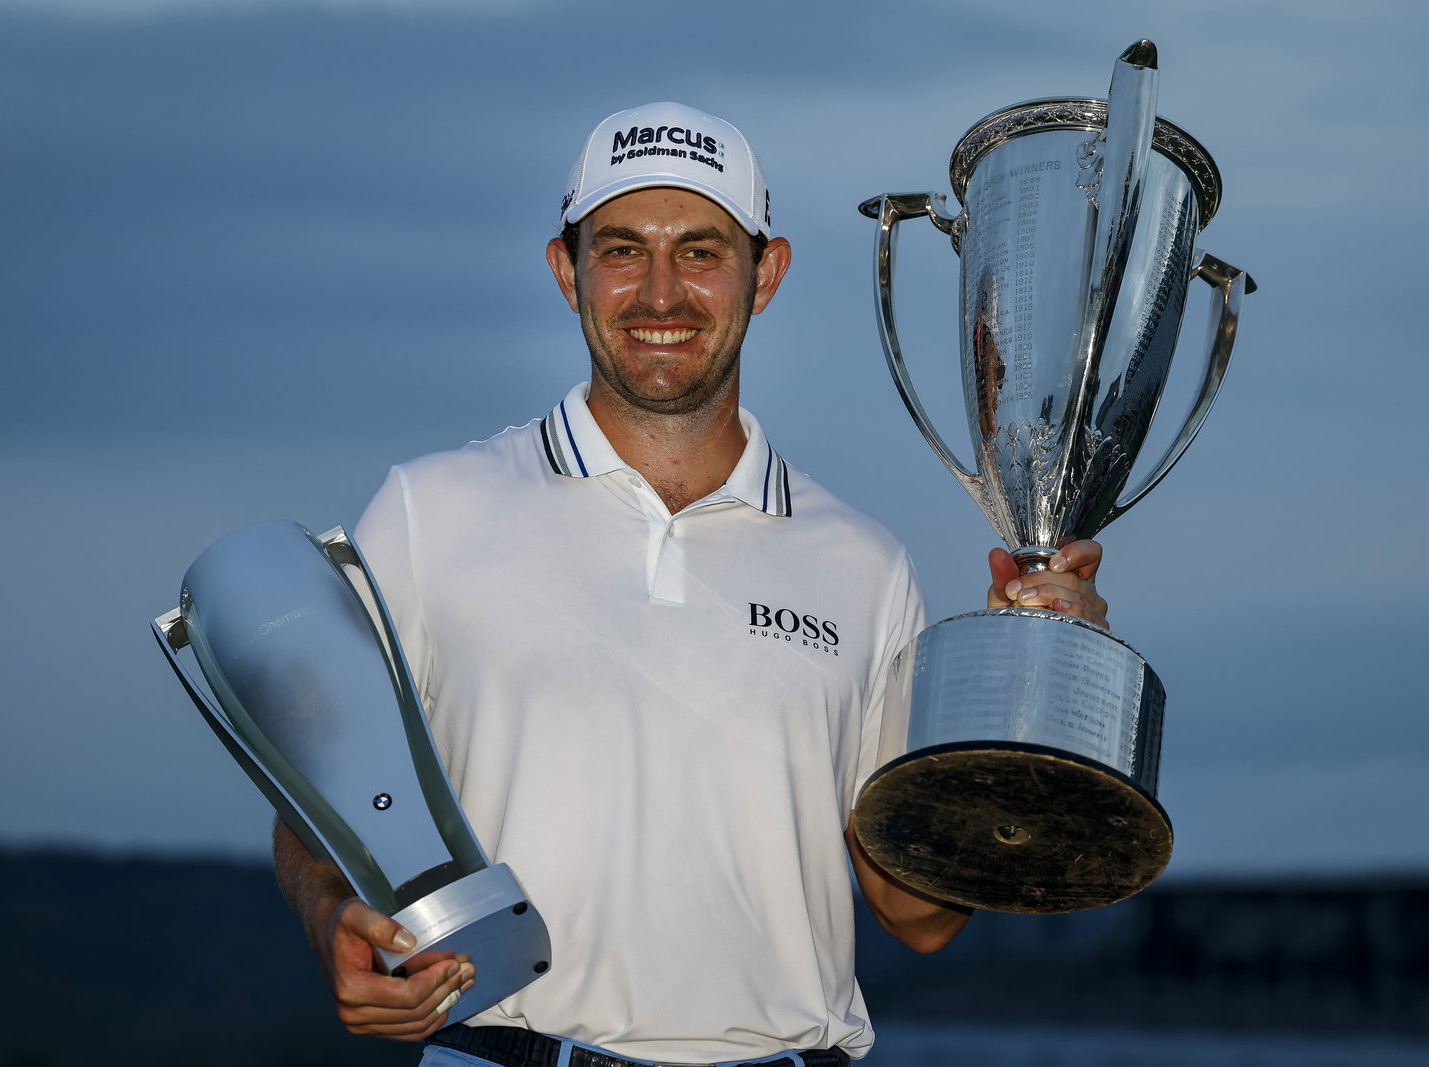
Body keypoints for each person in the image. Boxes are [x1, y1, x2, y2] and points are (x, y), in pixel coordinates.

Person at [273, 101, 1107, 1066]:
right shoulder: (429, 510)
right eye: (622, 249)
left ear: (768, 273)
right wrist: (332, 910)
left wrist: (1028, 686)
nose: (660, 292)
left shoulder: (863, 563)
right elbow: (311, 798)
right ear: (565, 270)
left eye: (703, 251)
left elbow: (917, 911)